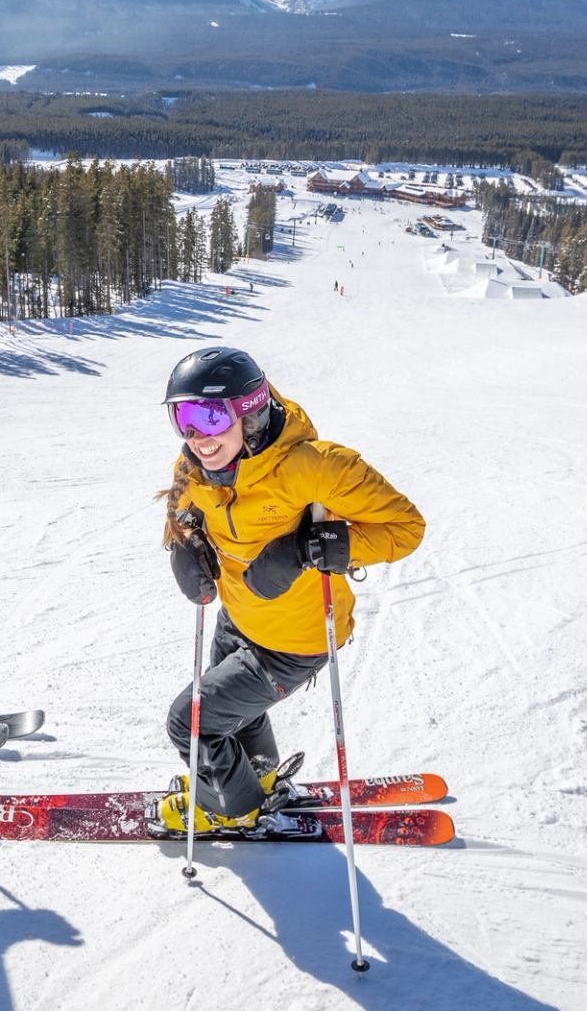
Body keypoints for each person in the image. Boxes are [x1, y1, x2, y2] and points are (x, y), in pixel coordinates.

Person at [155, 346, 424, 832]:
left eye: (210, 415)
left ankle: (230, 810)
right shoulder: (195, 464)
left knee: (190, 722)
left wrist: (309, 547)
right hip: (238, 618)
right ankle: (256, 779)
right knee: (229, 715)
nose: (198, 436)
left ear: (249, 411)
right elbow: (183, 508)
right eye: (184, 417)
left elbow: (405, 528)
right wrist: (183, 543)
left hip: (294, 641)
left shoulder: (316, 466)